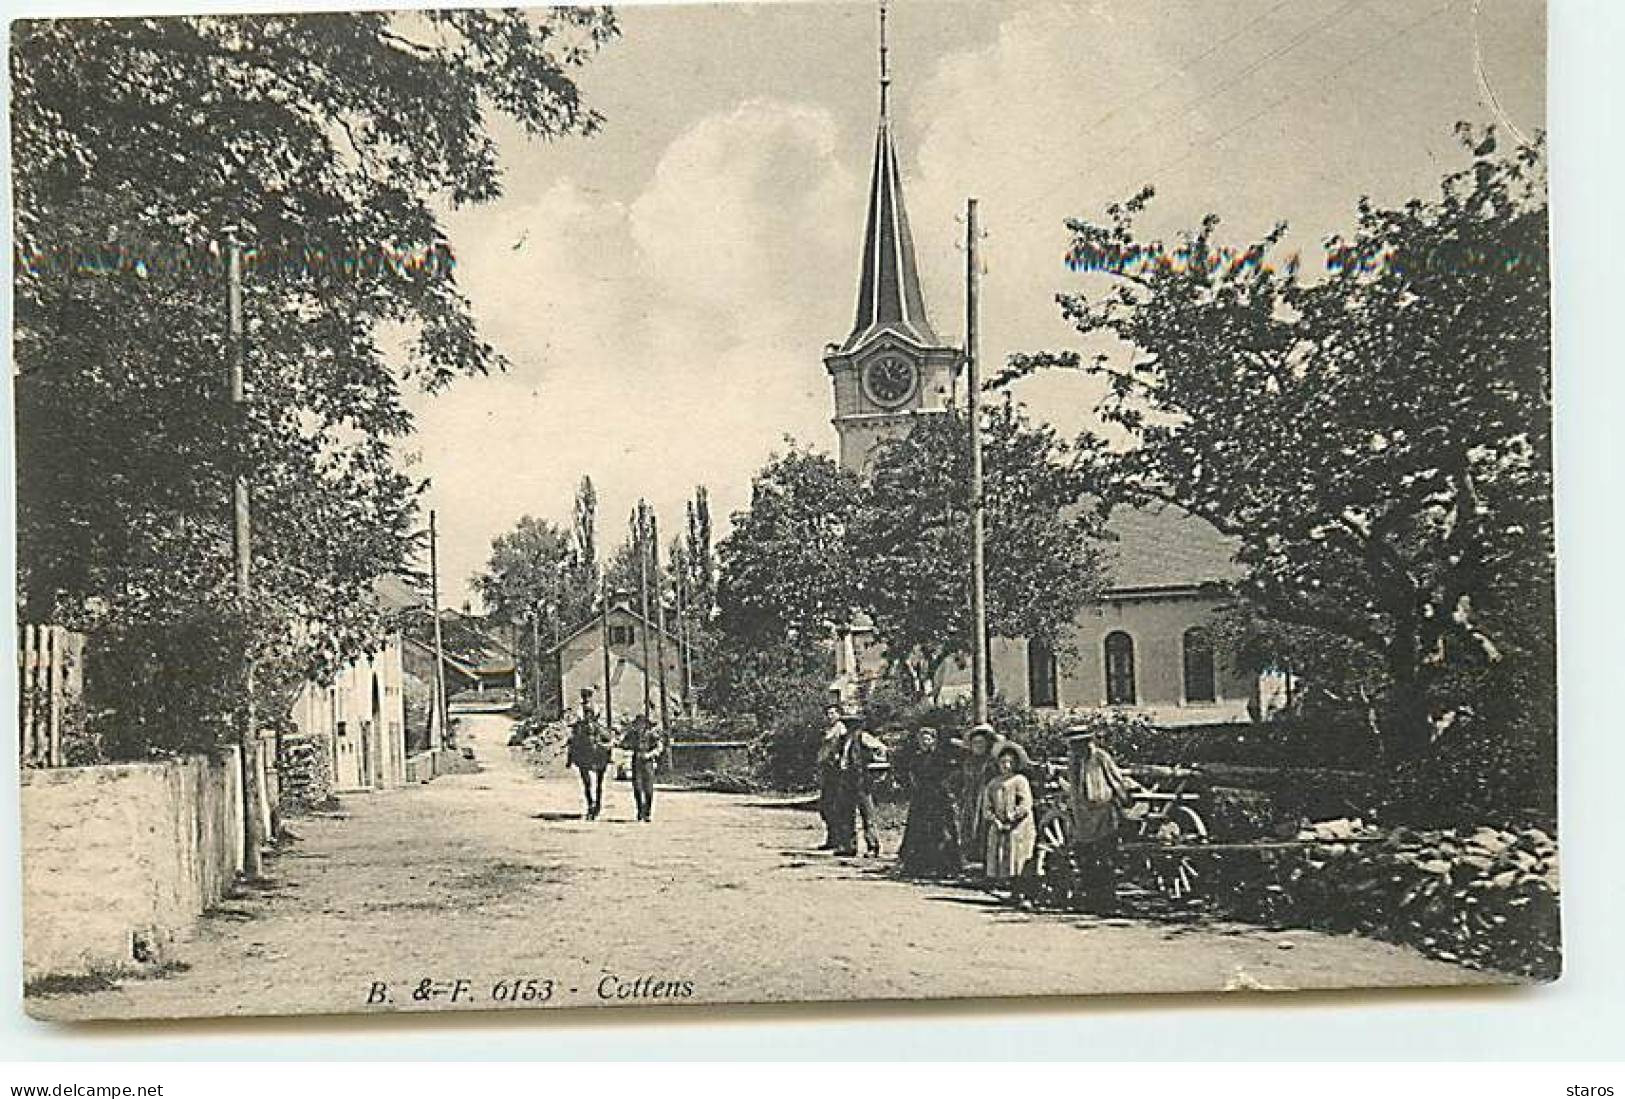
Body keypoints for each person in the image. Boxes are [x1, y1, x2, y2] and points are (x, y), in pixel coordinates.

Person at [1061, 724, 1137, 913]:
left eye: (1080, 742)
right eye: (1073, 744)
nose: (1077, 747)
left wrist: (1124, 799)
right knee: (1086, 858)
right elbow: (1074, 787)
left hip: (1103, 814)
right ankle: (1090, 898)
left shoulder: (1100, 757)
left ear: (1088, 741)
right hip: (1082, 817)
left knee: (1105, 858)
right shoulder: (1073, 761)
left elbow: (1115, 779)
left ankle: (1107, 899)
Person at [897, 727, 962, 878]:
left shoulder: (940, 757)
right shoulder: (916, 757)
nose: (924, 742)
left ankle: (945, 866)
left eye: (928, 739)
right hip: (921, 797)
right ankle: (918, 866)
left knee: (941, 830)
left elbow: (949, 773)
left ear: (933, 740)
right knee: (918, 830)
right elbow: (910, 775)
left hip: (938, 798)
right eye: (922, 739)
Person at [981, 742, 1036, 893]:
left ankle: (1018, 885)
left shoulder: (1020, 780)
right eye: (1003, 762)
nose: (1006, 766)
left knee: (1017, 853)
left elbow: (1026, 802)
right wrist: (995, 820)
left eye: (1010, 762)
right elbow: (987, 806)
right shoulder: (993, 784)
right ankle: (998, 881)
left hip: (1019, 825)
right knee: (996, 849)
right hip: (999, 823)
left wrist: (1013, 817)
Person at [830, 714, 886, 857]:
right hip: (846, 779)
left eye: (850, 723)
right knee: (846, 813)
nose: (848, 726)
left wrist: (873, 765)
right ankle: (849, 846)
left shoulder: (863, 737)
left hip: (861, 779)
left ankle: (873, 846)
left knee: (867, 814)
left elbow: (881, 748)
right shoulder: (844, 739)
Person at [956, 723, 1006, 867]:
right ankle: (971, 857)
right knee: (969, 826)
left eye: (981, 743)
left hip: (987, 798)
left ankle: (987, 860)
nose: (978, 746)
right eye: (975, 743)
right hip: (970, 798)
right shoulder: (968, 762)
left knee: (986, 827)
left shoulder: (992, 762)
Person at [565, 688, 612, 820]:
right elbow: (577, 718)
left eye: (588, 696)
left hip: (595, 725)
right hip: (582, 726)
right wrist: (579, 721)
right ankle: (571, 757)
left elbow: (598, 715)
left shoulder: (596, 706)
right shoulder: (579, 708)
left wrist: (595, 720)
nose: (586, 698)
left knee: (607, 736)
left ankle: (608, 756)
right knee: (572, 740)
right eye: (585, 696)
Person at [620, 713, 666, 823]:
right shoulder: (632, 734)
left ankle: (647, 812)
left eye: (641, 724)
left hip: (648, 763)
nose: (639, 726)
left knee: (649, 790)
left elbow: (659, 747)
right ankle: (640, 811)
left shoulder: (651, 735)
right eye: (637, 724)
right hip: (636, 762)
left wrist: (650, 754)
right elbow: (624, 743)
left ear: (645, 725)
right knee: (637, 788)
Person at [815, 705, 847, 850]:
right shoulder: (828, 729)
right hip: (827, 770)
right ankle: (832, 838)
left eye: (833, 713)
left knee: (834, 805)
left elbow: (842, 748)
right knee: (825, 806)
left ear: (839, 714)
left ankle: (838, 839)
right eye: (828, 713)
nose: (830, 716)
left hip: (836, 771)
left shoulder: (841, 729)